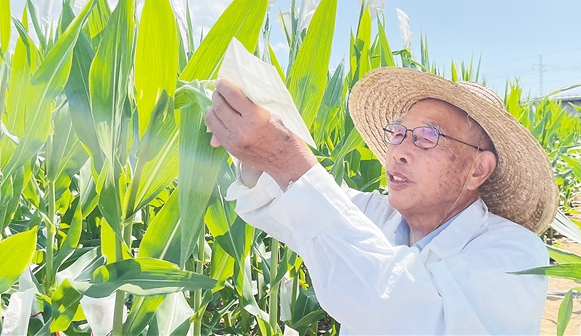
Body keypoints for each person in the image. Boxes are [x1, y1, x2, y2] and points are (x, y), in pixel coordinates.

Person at [205, 67, 558, 335]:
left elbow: (413, 316)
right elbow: (283, 204)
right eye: (399, 132)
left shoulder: (516, 253)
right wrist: (251, 149)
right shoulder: (374, 213)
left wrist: (287, 159)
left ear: (478, 169)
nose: (399, 151)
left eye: (427, 137)